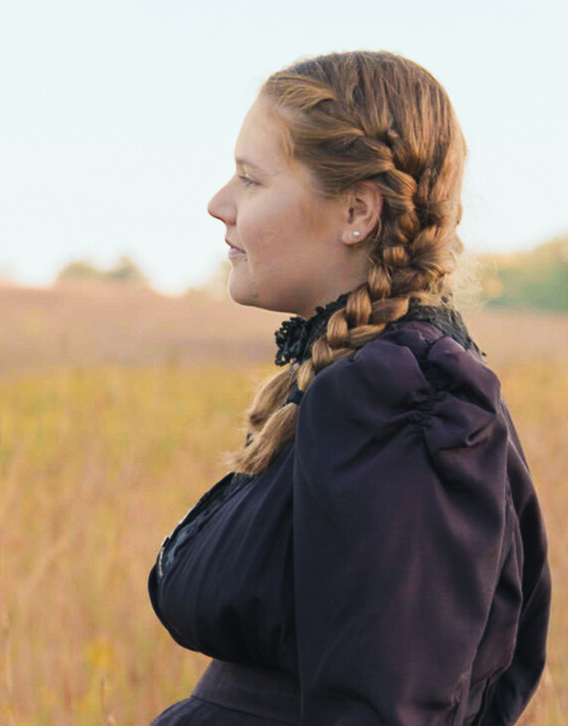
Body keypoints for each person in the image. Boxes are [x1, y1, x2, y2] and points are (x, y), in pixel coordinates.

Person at [148, 51, 550, 725]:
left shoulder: (409, 402)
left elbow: (391, 707)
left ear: (357, 212)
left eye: (250, 179)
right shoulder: (360, 383)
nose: (219, 205)